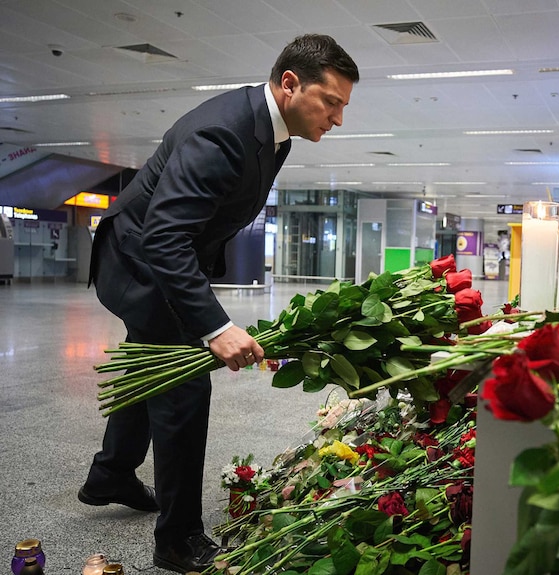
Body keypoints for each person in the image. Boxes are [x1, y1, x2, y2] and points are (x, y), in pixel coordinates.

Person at [78, 34, 359, 574]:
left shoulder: (275, 134)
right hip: (138, 262)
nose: (338, 118)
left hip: (157, 256)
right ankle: (178, 541)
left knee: (151, 365)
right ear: (290, 84)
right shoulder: (222, 133)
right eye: (332, 102)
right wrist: (214, 326)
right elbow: (163, 237)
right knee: (183, 387)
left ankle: (110, 473)